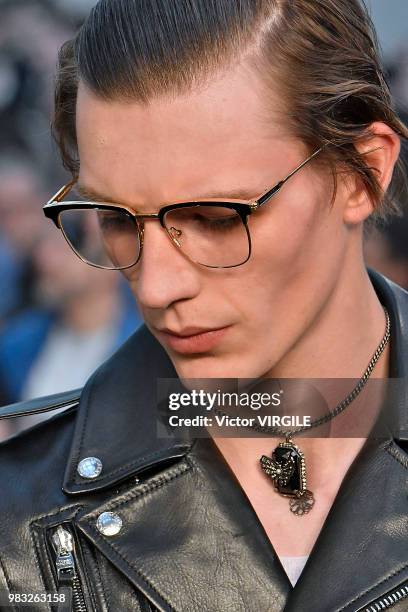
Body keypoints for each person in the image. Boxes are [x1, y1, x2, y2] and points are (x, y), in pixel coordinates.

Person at [0, 1, 407, 611]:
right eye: (115, 220)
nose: (157, 286)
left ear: (362, 173)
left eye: (216, 218)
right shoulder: (19, 521)